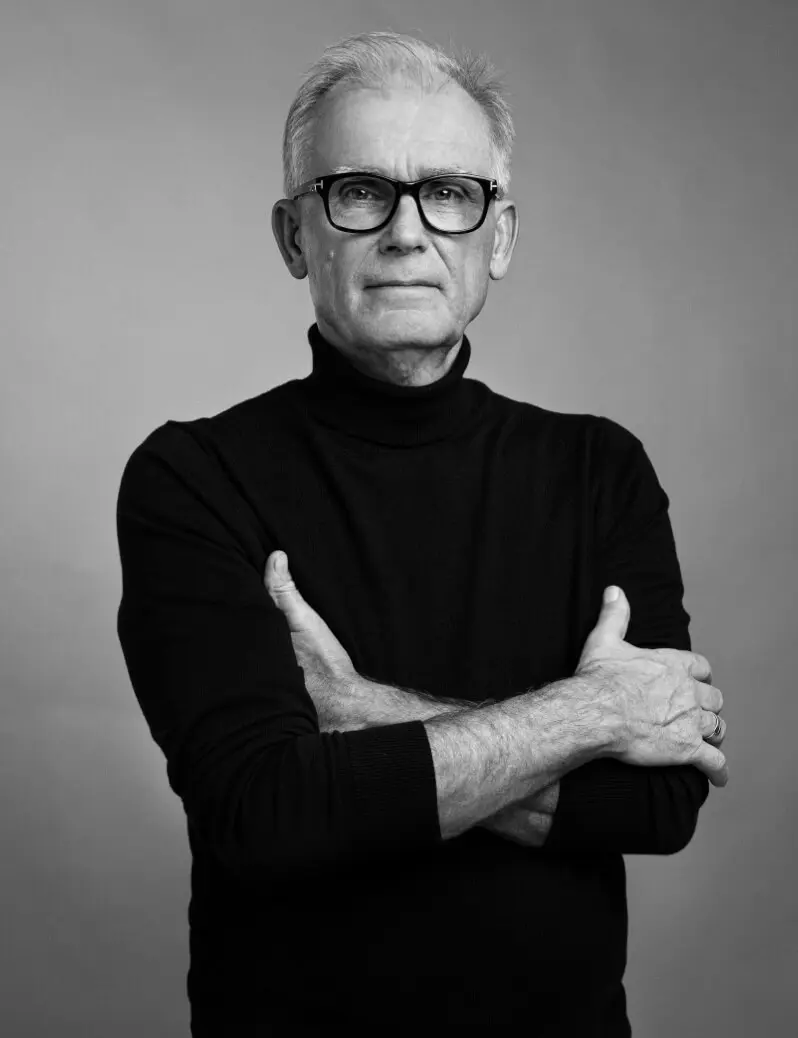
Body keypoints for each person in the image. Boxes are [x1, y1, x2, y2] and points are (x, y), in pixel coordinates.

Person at [115, 30, 728, 1036]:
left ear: (500, 237)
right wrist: (591, 714)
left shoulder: (597, 469)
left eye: (448, 192)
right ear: (294, 236)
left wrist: (358, 712)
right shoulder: (194, 477)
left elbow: (658, 808)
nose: (408, 232)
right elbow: (264, 813)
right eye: (359, 191)